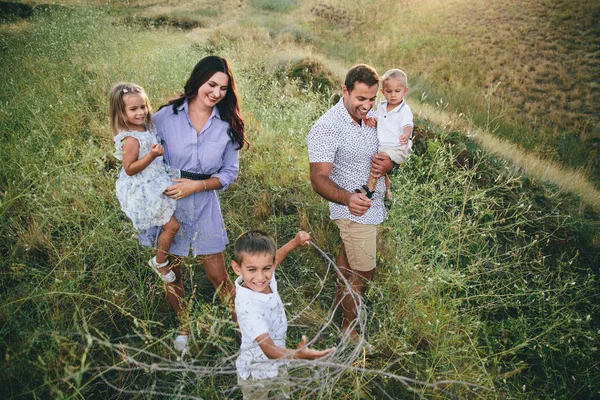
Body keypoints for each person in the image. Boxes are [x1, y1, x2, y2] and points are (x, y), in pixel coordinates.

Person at [139, 55, 248, 352]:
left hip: (203, 201)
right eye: (211, 84)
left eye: (223, 88)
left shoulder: (227, 125)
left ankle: (245, 330)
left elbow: (229, 173)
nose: (216, 93)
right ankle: (183, 326)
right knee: (172, 270)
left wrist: (197, 185)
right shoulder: (164, 117)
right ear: (199, 80)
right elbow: (146, 157)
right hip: (169, 201)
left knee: (218, 275)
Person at [307, 64, 396, 341]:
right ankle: (349, 329)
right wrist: (348, 199)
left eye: (372, 99)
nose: (368, 105)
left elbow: (391, 152)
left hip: (374, 206)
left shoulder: (374, 117)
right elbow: (318, 179)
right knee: (364, 271)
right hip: (352, 210)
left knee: (349, 265)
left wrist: (390, 163)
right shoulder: (326, 128)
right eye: (361, 99)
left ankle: (338, 308)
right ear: (344, 91)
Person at [232, 230, 335, 400]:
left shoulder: (265, 277)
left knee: (282, 392)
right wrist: (298, 355)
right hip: (257, 375)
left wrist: (294, 242)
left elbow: (276, 257)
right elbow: (268, 349)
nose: (260, 277)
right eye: (252, 270)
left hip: (280, 362)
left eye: (267, 268)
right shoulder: (248, 306)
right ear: (237, 268)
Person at [109, 82, 179, 284]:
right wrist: (151, 155)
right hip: (144, 188)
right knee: (172, 226)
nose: (141, 112)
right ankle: (159, 262)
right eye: (133, 109)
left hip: (156, 179)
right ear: (121, 113)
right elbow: (130, 169)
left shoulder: (143, 127)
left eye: (143, 107)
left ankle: (162, 255)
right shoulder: (130, 139)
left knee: (173, 215)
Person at [363, 69, 413, 204]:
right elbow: (381, 122)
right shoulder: (382, 106)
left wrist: (406, 135)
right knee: (382, 170)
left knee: (378, 161)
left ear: (405, 91)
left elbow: (408, 125)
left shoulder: (404, 110)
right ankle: (387, 193)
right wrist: (373, 122)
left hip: (397, 147)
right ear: (382, 92)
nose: (393, 95)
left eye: (397, 91)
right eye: (389, 91)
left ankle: (369, 191)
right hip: (385, 146)